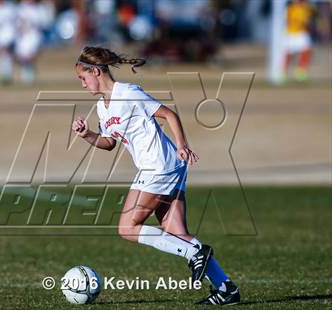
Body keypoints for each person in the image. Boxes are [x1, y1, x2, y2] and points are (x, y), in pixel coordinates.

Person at [71, 46, 240, 306]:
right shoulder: (102, 107)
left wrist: (183, 145)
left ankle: (196, 252)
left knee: (127, 228)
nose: (82, 85)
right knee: (174, 232)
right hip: (162, 167)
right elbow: (109, 143)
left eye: (83, 78)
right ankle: (226, 288)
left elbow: (168, 114)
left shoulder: (128, 93)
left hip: (159, 166)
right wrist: (87, 135)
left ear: (95, 71)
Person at [15, 0, 51, 84]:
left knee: (30, 56)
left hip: (35, 35)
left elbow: (45, 24)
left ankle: (29, 76)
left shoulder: (40, 9)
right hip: (23, 36)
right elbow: (17, 23)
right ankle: (27, 76)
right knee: (22, 57)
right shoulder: (21, 8)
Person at [283, 0, 314, 82]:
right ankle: (283, 73)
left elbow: (309, 20)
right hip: (291, 33)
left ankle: (301, 72)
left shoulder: (307, 9)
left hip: (302, 33)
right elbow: (288, 21)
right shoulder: (291, 9)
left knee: (307, 51)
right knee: (288, 54)